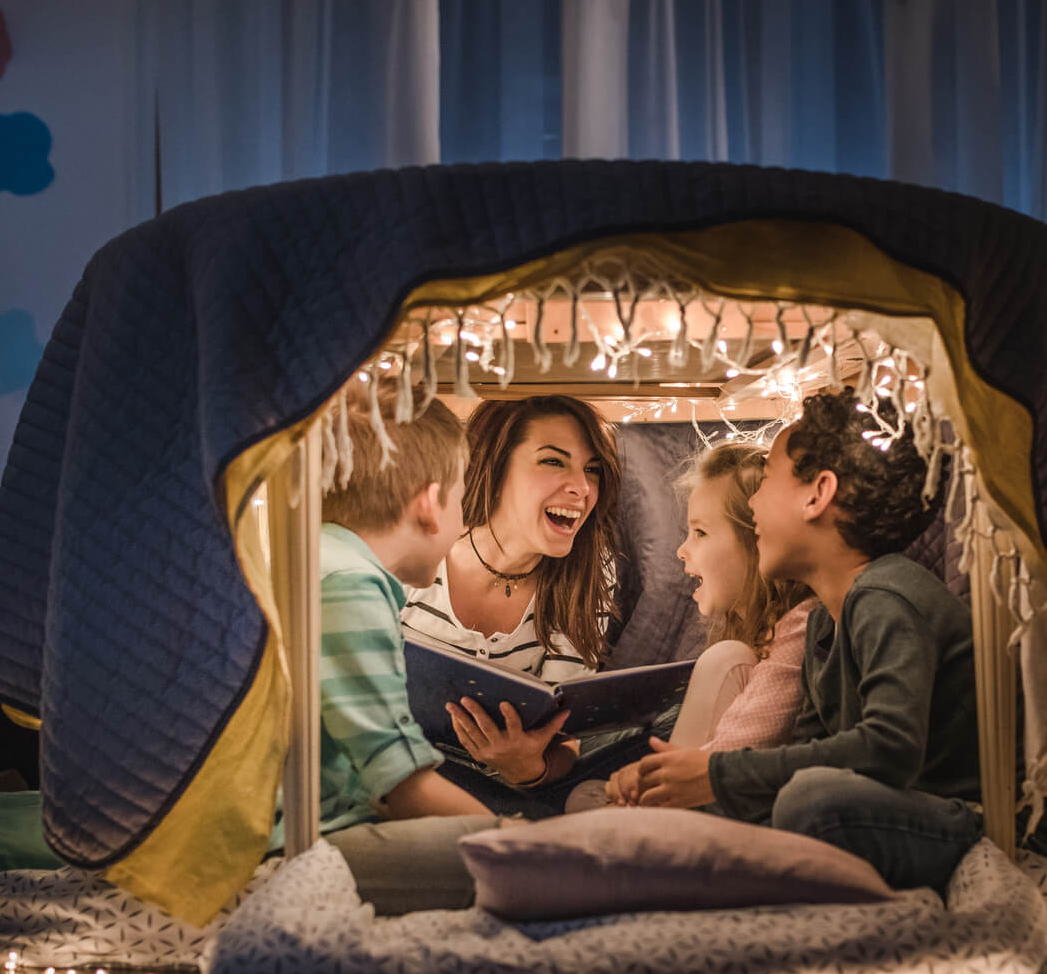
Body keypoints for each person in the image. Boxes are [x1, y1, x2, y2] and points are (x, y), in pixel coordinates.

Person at [626, 390, 982, 891]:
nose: (752, 504)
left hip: (963, 817)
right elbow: (810, 749)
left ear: (817, 495)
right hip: (880, 813)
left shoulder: (887, 595)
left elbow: (889, 748)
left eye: (766, 479)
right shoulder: (822, 625)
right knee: (792, 797)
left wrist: (719, 773)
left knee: (811, 800)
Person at [288, 386, 499, 913]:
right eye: (462, 495)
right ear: (430, 504)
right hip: (292, 847)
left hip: (299, 828)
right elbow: (399, 783)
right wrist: (510, 836)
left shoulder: (314, 553)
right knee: (513, 858)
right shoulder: (350, 582)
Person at [399, 394, 624, 812]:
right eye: (554, 461)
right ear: (495, 465)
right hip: (399, 777)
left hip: (509, 794)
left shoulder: (591, 572)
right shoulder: (418, 544)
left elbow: (563, 743)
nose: (582, 487)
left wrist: (527, 769)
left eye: (592, 469)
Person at [574, 442, 811, 810]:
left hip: (719, 805)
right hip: (712, 797)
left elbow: (720, 762)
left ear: (757, 540)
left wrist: (652, 782)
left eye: (700, 533)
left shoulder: (796, 630)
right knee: (584, 795)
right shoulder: (753, 641)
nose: (682, 550)